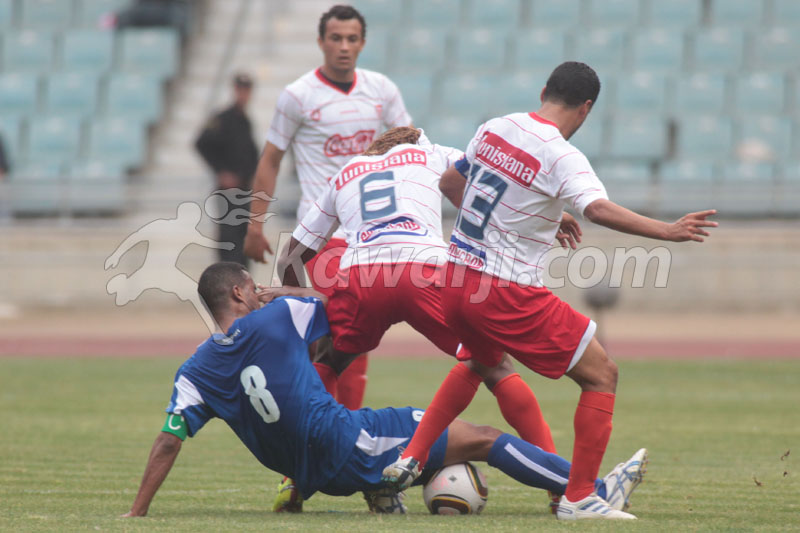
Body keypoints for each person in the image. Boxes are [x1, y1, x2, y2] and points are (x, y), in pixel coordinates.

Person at [381, 62, 717, 521]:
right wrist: (668, 230)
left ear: (544, 91)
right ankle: (578, 497)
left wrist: (506, 222)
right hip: (505, 291)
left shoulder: (496, 128)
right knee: (602, 374)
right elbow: (596, 208)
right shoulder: (561, 156)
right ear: (586, 109)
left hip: (455, 279)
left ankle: (412, 456)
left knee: (480, 361)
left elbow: (450, 183)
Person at [122, 261, 647, 518]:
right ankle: (589, 492)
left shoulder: (193, 372)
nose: (259, 292)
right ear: (240, 291)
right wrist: (280, 290)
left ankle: (381, 489)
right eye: (251, 287)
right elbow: (335, 303)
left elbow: (169, 439)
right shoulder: (280, 315)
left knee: (382, 429)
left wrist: (138, 512)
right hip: (345, 443)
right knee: (482, 436)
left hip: (309, 473)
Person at [278, 126, 580, 510]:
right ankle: (560, 488)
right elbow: (496, 187)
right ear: (416, 141)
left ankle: (295, 479)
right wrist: (550, 221)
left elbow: (292, 254)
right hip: (424, 268)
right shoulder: (433, 153)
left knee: (329, 361)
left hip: (362, 277)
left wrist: (302, 308)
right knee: (495, 366)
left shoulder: (348, 170)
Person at [243, 5, 413, 410]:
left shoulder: (382, 90)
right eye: (335, 38)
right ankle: (326, 441)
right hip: (320, 236)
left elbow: (411, 146)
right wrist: (254, 226)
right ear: (321, 42)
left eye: (351, 39)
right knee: (340, 333)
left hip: (368, 235)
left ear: (363, 43)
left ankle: (338, 441)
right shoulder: (298, 96)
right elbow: (270, 159)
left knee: (351, 339)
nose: (343, 47)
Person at [195, 73, 260, 266]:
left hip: (245, 191)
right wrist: (221, 171)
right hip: (229, 192)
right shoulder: (222, 118)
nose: (244, 94)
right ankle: (226, 281)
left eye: (247, 90)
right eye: (241, 89)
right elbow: (201, 143)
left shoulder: (245, 121)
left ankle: (242, 280)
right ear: (235, 90)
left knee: (244, 239)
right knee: (229, 239)